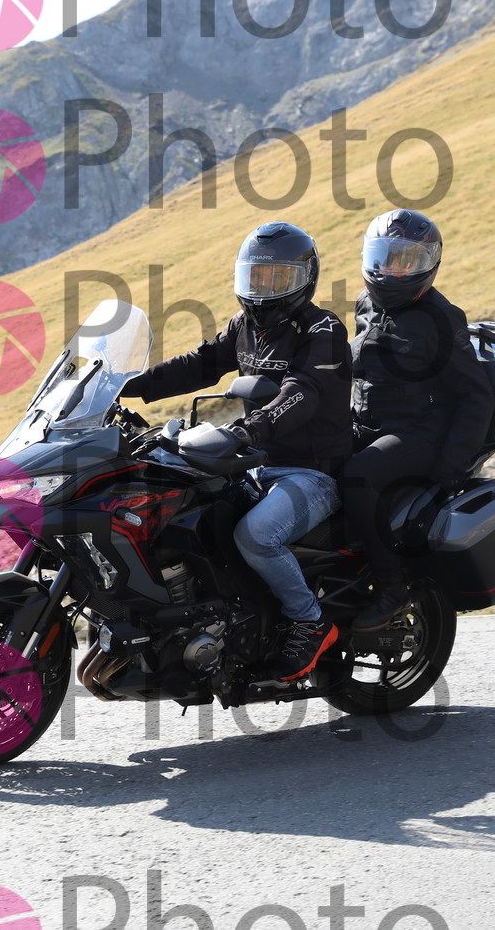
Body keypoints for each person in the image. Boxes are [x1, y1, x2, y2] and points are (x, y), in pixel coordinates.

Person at [119, 221, 352, 680]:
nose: (264, 289)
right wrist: (125, 385)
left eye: (277, 278)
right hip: (255, 465)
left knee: (256, 536)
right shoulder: (244, 326)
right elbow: (199, 364)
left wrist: (249, 430)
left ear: (305, 279)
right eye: (255, 277)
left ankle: (310, 622)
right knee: (187, 513)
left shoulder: (322, 329)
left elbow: (301, 393)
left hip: (312, 473)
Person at [343, 208, 495, 632]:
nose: (391, 270)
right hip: (366, 425)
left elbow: (474, 395)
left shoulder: (441, 318)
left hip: (416, 433)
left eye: (405, 260)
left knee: (356, 476)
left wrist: (451, 469)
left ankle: (392, 586)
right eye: (384, 257)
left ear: (428, 264)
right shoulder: (365, 304)